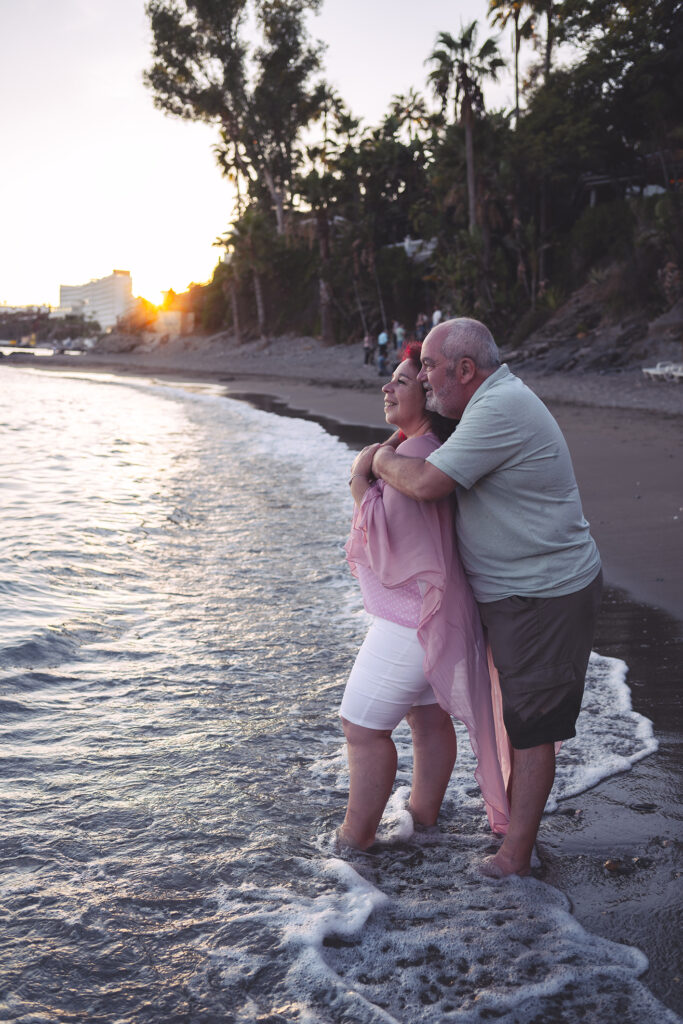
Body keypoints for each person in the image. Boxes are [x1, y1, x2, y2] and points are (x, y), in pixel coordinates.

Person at [369, 318, 602, 877]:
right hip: (518, 592)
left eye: (428, 367)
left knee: (532, 724)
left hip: (544, 593)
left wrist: (378, 458)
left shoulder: (498, 409)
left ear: (465, 370)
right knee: (522, 717)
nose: (422, 379)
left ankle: (515, 857)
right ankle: (512, 834)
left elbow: (425, 482)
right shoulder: (482, 404)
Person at [338, 342, 510, 851]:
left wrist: (362, 473)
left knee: (362, 728)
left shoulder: (414, 454)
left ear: (429, 398)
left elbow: (380, 539)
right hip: (442, 613)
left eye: (402, 381)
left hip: (411, 620)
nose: (386, 387)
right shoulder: (430, 451)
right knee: (428, 718)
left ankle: (355, 842)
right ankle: (422, 820)